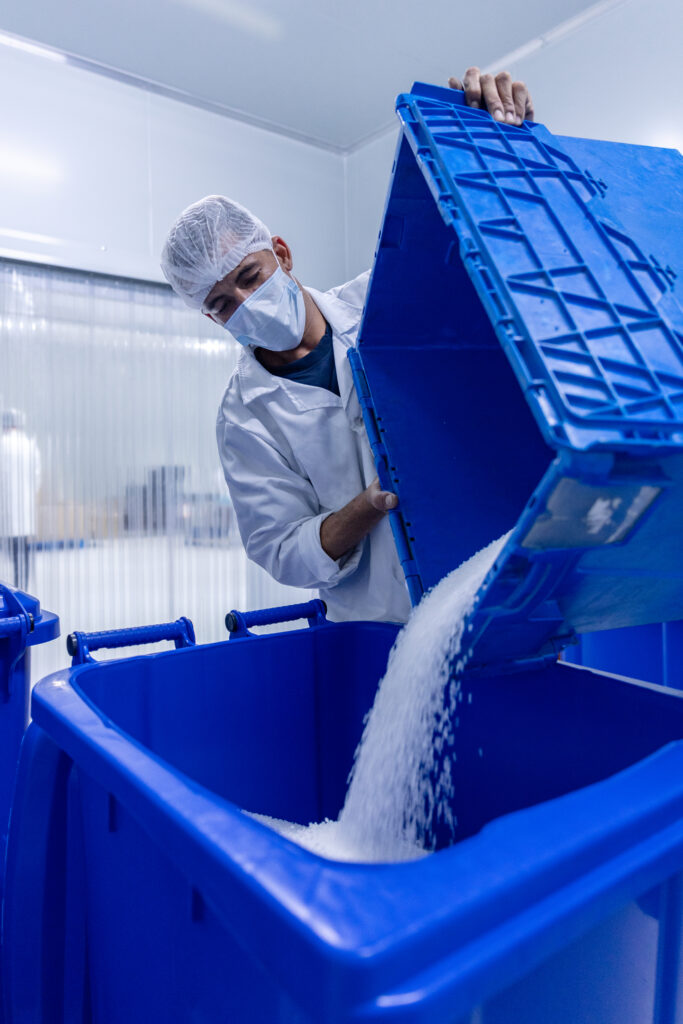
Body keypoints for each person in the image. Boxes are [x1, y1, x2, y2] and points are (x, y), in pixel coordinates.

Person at [161, 70, 534, 623]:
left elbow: (496, 255)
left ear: (282, 255)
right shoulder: (243, 419)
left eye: (248, 276)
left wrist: (492, 137)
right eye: (221, 304)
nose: (243, 303)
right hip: (375, 626)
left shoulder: (387, 298)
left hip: (490, 590)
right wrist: (370, 504)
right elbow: (281, 549)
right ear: (212, 320)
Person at [0, 409, 41, 592]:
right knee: (21, 555)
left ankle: (8, 592)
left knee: (8, 550)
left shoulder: (1, 445)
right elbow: (36, 478)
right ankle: (21, 589)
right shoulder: (29, 445)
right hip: (24, 509)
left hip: (5, 511)